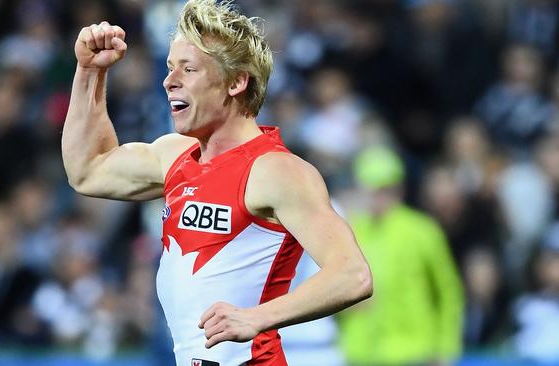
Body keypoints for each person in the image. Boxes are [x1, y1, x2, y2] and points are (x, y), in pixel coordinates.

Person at [61, 0, 372, 365]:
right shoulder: (176, 155)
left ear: (237, 82)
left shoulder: (275, 170)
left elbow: (353, 274)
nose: (169, 80)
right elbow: (88, 170)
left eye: (188, 69)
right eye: (169, 67)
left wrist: (257, 317)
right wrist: (89, 73)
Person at [337, 146, 464, 365]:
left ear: (398, 189)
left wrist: (446, 349)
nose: (377, 197)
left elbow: (448, 291)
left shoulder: (422, 231)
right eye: (370, 189)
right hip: (360, 352)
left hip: (413, 352)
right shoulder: (351, 229)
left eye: (384, 189)